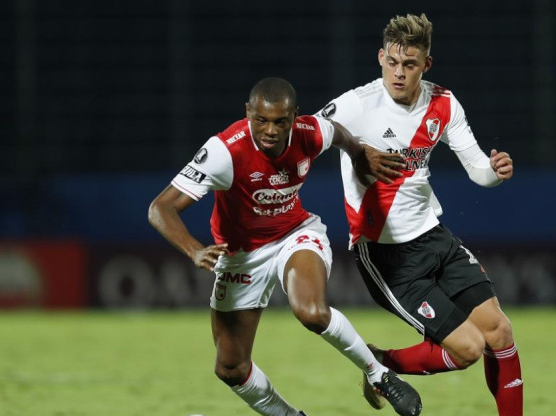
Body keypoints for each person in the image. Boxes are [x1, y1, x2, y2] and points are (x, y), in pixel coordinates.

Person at [148, 77, 422, 416]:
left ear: (295, 117)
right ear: (248, 112)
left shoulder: (310, 132)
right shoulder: (225, 151)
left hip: (295, 234)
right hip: (240, 257)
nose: (270, 130)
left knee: (310, 311)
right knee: (230, 367)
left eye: (280, 121)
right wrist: (193, 249)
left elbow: (336, 132)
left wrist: (358, 153)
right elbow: (160, 208)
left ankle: (379, 374)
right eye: (261, 119)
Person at [318, 13, 522, 416]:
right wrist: (355, 152)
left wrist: (495, 174)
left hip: (434, 237)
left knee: (499, 331)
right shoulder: (356, 105)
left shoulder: (443, 104)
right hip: (387, 256)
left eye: (409, 64)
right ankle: (380, 366)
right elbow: (307, 135)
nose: (399, 73)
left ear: (425, 64)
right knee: (467, 349)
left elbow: (478, 169)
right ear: (380, 58)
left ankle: (377, 362)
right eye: (392, 62)